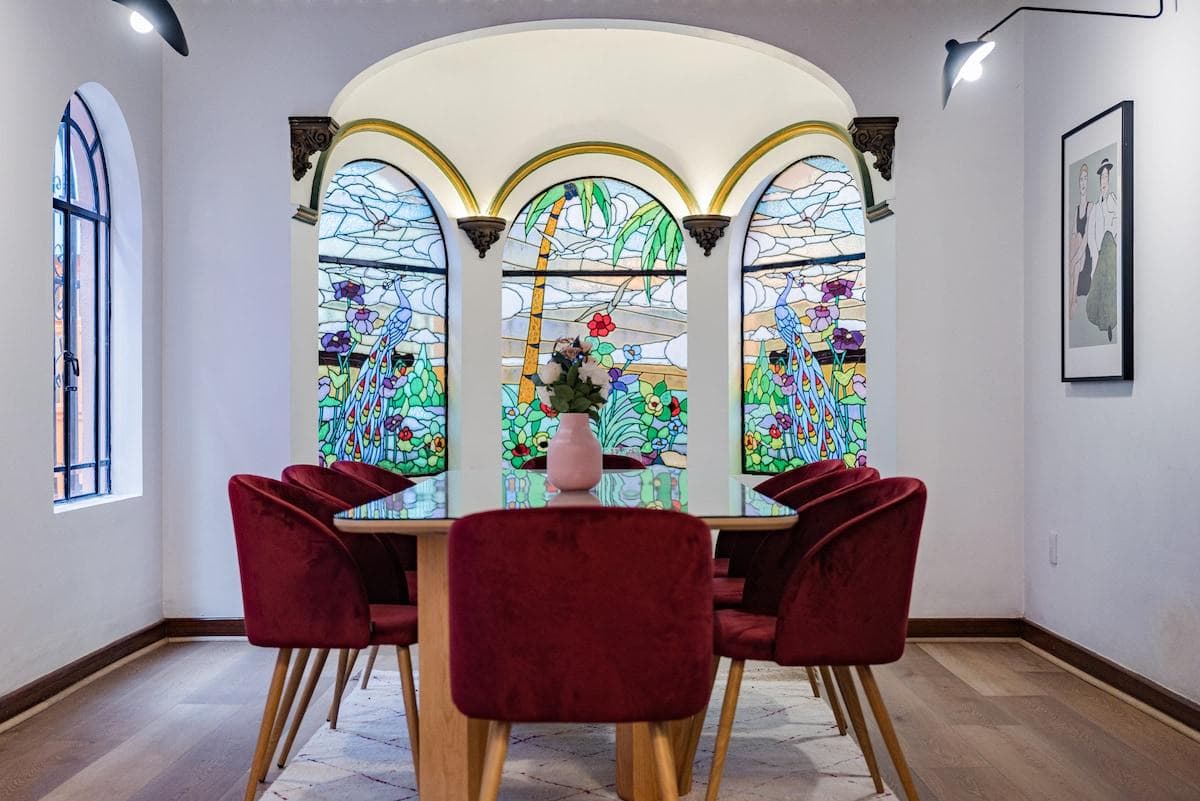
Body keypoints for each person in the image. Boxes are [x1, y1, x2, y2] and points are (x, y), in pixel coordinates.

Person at [1086, 159, 1120, 340]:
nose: (1104, 181)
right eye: (1102, 177)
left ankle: (1110, 323)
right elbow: (1091, 235)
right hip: (1099, 256)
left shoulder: (1113, 202)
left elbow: (1117, 227)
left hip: (1111, 256)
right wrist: (1094, 256)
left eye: (1107, 176)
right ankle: (1102, 322)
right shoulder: (1096, 209)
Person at [1068, 162, 1091, 316]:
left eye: (1085, 179)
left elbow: (1084, 242)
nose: (1083, 183)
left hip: (1085, 259)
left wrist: (1072, 260)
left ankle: (1072, 296)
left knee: (1081, 236)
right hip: (1076, 258)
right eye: (1081, 179)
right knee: (1075, 235)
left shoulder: (1090, 207)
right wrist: (1072, 260)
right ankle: (1072, 297)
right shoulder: (1076, 209)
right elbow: (1073, 240)